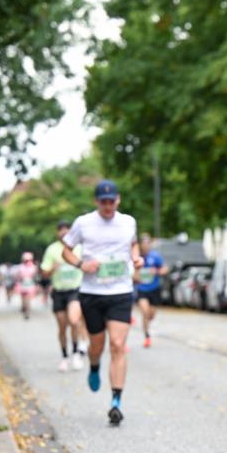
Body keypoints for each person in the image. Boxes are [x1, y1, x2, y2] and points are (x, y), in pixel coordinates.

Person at [61, 179, 142, 425]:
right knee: (97, 346)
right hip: (92, 293)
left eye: (112, 201)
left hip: (120, 291)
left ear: (118, 200)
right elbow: (66, 249)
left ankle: (116, 401)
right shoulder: (83, 223)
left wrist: (136, 259)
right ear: (96, 201)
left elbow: (133, 245)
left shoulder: (128, 222)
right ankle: (94, 365)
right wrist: (81, 264)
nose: (108, 206)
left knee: (118, 345)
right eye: (103, 201)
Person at [41, 220, 88, 372]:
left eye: (67, 229)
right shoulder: (52, 250)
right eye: (60, 229)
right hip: (58, 291)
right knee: (62, 326)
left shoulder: (80, 248)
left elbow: (88, 266)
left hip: (75, 290)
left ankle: (76, 354)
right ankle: (64, 356)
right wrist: (52, 269)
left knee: (74, 321)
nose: (64, 232)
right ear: (57, 232)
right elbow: (44, 273)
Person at [133, 233, 168, 348]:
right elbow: (130, 272)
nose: (146, 245)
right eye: (144, 243)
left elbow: (165, 269)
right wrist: (135, 277)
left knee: (151, 315)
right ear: (140, 245)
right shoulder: (136, 257)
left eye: (148, 243)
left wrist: (156, 272)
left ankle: (147, 326)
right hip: (142, 289)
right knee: (145, 312)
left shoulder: (155, 256)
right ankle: (147, 336)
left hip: (154, 289)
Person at [15, 252, 39, 320]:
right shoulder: (21, 267)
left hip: (30, 286)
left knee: (27, 299)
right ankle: (25, 308)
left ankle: (27, 311)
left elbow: (35, 277)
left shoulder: (33, 267)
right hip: (22, 285)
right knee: (24, 299)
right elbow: (18, 277)